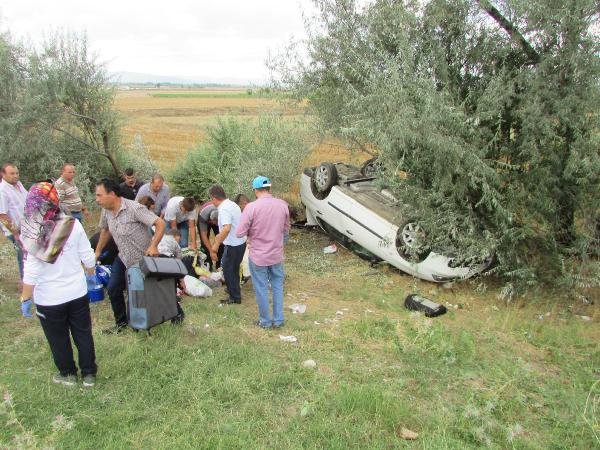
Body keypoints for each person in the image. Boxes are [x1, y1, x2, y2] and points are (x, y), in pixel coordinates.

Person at [19, 181, 98, 387]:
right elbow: (87, 256)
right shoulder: (73, 224)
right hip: (77, 292)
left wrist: (25, 297)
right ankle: (89, 374)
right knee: (83, 332)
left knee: (58, 337)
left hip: (50, 298)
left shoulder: (32, 231)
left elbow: (31, 270)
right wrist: (91, 274)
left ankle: (68, 374)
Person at [94, 178, 166, 333]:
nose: (97, 199)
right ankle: (121, 324)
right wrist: (98, 251)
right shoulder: (106, 211)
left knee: (152, 290)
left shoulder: (134, 208)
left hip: (142, 259)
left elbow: (160, 223)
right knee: (113, 288)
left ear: (112, 194)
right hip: (124, 257)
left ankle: (175, 313)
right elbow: (105, 230)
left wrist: (153, 245)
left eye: (99, 195)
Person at [236, 176, 290, 329]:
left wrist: (251, 233)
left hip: (258, 256)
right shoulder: (282, 205)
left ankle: (265, 321)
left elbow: (240, 233)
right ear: (270, 189)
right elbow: (286, 230)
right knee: (278, 286)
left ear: (255, 190)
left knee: (261, 288)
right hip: (276, 255)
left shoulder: (251, 207)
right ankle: (279, 320)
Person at [208, 185, 246, 305]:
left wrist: (216, 244)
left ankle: (234, 297)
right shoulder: (232, 204)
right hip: (241, 242)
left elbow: (226, 228)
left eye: (211, 199)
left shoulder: (223, 209)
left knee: (228, 269)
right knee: (234, 269)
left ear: (214, 198)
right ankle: (233, 289)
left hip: (233, 245)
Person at [0, 163, 27, 279]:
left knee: (30, 255)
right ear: (3, 174)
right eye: (12, 173)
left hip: (27, 227)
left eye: (17, 173)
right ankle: (25, 284)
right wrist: (16, 233)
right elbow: (2, 215)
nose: (15, 176)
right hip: (16, 230)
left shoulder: (19, 185)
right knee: (23, 257)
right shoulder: (2, 191)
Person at [197, 202, 223, 270]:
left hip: (217, 216)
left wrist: (216, 246)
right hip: (204, 217)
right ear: (211, 220)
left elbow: (222, 236)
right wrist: (211, 251)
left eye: (217, 223)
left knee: (222, 243)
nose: (216, 224)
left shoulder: (223, 213)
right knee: (204, 245)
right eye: (214, 222)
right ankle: (207, 266)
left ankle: (220, 266)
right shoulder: (203, 216)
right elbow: (204, 236)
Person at [234, 193, 251, 284]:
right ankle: (244, 276)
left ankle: (245, 276)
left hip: (254, 240)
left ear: (244, 203)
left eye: (240, 207)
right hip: (247, 239)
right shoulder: (244, 211)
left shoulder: (250, 210)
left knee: (246, 260)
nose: (239, 209)